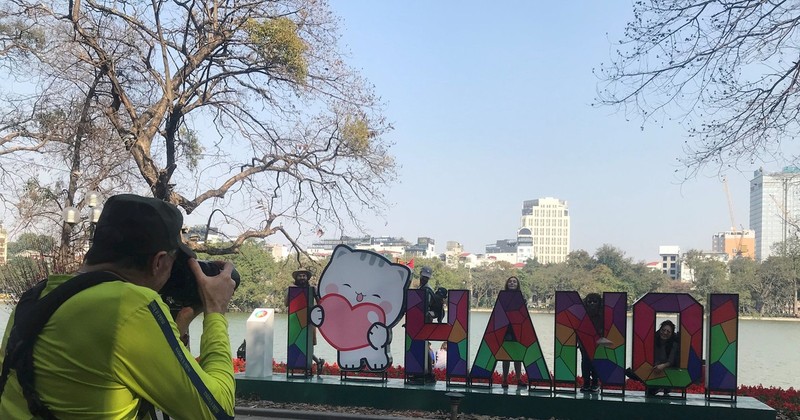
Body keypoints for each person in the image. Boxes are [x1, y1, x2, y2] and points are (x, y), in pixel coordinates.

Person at [0, 194, 237, 418]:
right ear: (158, 261)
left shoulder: (36, 296)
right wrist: (215, 309)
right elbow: (218, 411)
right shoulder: (131, 306)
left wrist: (179, 326)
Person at [285, 268, 324, 375]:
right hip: (295, 322)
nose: (302, 278)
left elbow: (319, 303)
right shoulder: (292, 289)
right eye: (300, 276)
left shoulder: (312, 289)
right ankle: (317, 362)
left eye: (304, 276)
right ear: (296, 278)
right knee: (297, 344)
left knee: (308, 344)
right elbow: (286, 303)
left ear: (307, 278)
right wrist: (290, 291)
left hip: (309, 321)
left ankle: (314, 364)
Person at [501, 276, 526, 388]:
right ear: (507, 283)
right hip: (506, 330)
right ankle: (504, 379)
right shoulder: (502, 297)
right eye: (510, 281)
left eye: (514, 281)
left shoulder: (521, 298)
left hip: (518, 330)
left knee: (518, 355)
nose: (512, 283)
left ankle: (518, 379)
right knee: (506, 356)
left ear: (517, 284)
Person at [647, 319, 679, 396]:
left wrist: (663, 366)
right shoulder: (652, 340)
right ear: (660, 330)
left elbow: (671, 361)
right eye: (663, 330)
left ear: (671, 334)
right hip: (653, 367)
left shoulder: (674, 344)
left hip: (667, 369)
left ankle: (663, 387)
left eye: (668, 331)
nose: (665, 333)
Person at [579, 293, 603, 392]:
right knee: (585, 363)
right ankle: (586, 383)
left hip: (598, 344)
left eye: (595, 302)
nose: (592, 304)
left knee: (596, 363)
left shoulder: (603, 315)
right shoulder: (582, 315)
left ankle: (595, 383)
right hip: (584, 344)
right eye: (590, 302)